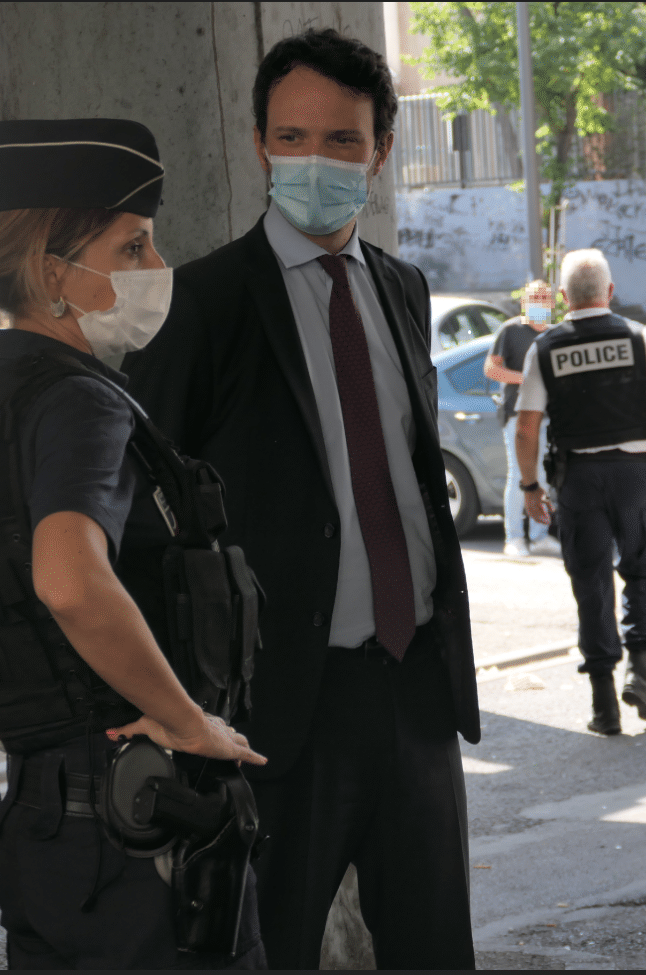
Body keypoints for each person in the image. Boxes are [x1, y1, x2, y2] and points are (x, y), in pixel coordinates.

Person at [0, 118, 268, 969]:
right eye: (134, 245)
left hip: (48, 837)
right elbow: (69, 579)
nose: (157, 267)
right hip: (146, 830)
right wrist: (190, 725)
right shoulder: (81, 401)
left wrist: (37, 738)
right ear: (53, 274)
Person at [121, 28, 479, 970]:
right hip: (278, 710)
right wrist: (177, 701)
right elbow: (137, 515)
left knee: (436, 948)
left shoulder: (402, 288)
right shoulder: (201, 304)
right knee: (264, 950)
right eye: (291, 138)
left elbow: (403, 472)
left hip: (414, 691)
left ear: (381, 151)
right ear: (257, 144)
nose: (313, 160)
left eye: (341, 141)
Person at [515, 249, 646, 736]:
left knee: (590, 584)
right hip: (633, 475)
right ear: (610, 293)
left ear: (563, 299)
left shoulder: (545, 347)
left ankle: (604, 707)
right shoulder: (638, 337)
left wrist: (530, 485)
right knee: (641, 570)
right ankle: (640, 673)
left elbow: (527, 427)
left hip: (578, 480)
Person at [485, 279, 563, 557]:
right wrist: (527, 380)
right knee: (519, 475)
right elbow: (492, 369)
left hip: (548, 416)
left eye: (544, 297)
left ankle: (539, 535)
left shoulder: (555, 334)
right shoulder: (511, 330)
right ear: (524, 303)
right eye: (534, 298)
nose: (540, 302)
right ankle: (514, 538)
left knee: (543, 475)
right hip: (517, 415)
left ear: (552, 303)